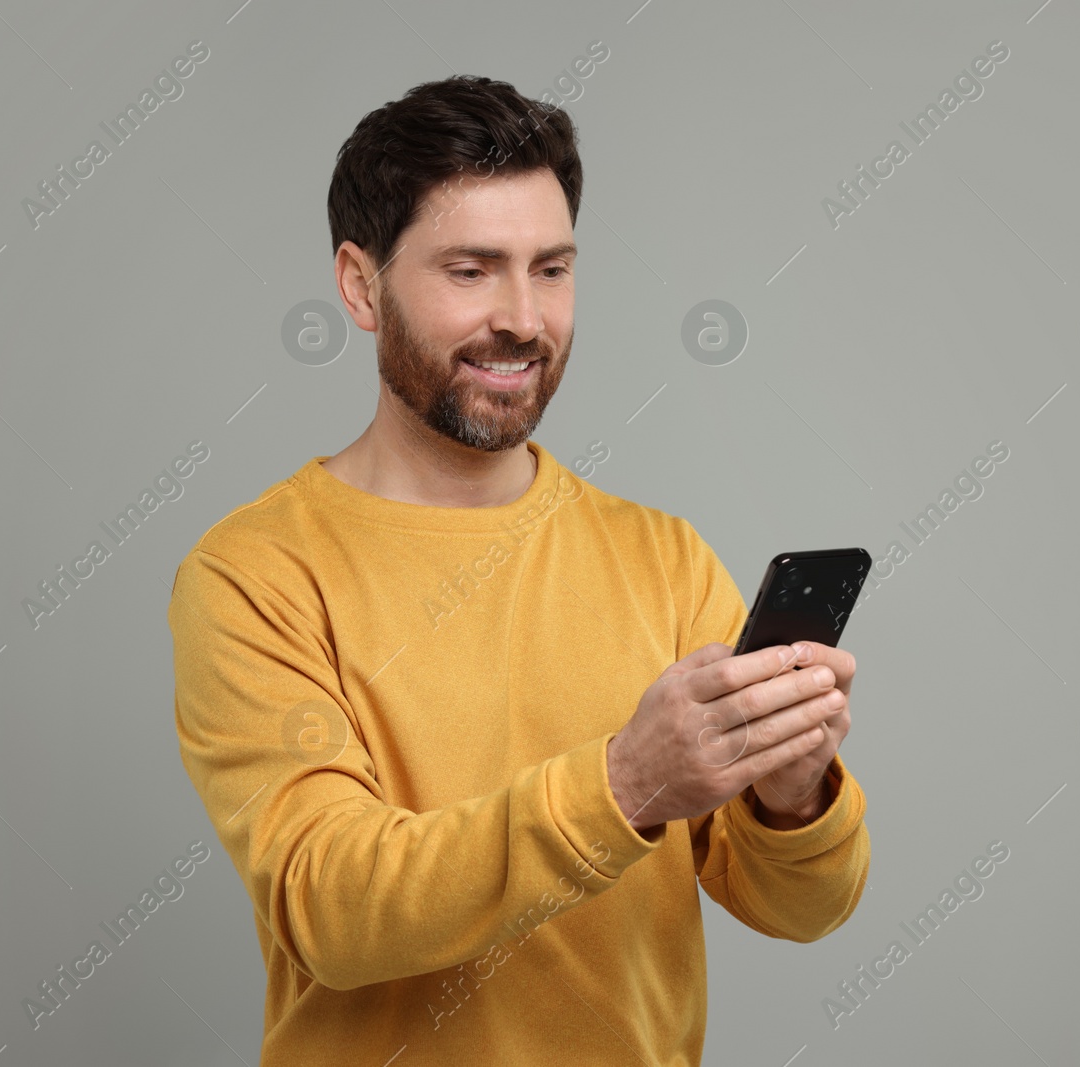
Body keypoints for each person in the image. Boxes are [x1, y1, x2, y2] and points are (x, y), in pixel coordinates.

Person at [168, 74, 870, 1065]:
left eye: (550, 268)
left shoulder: (660, 556)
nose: (523, 318)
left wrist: (790, 795)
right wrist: (623, 783)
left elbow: (803, 908)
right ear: (360, 285)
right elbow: (331, 905)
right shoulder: (253, 575)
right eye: (471, 270)